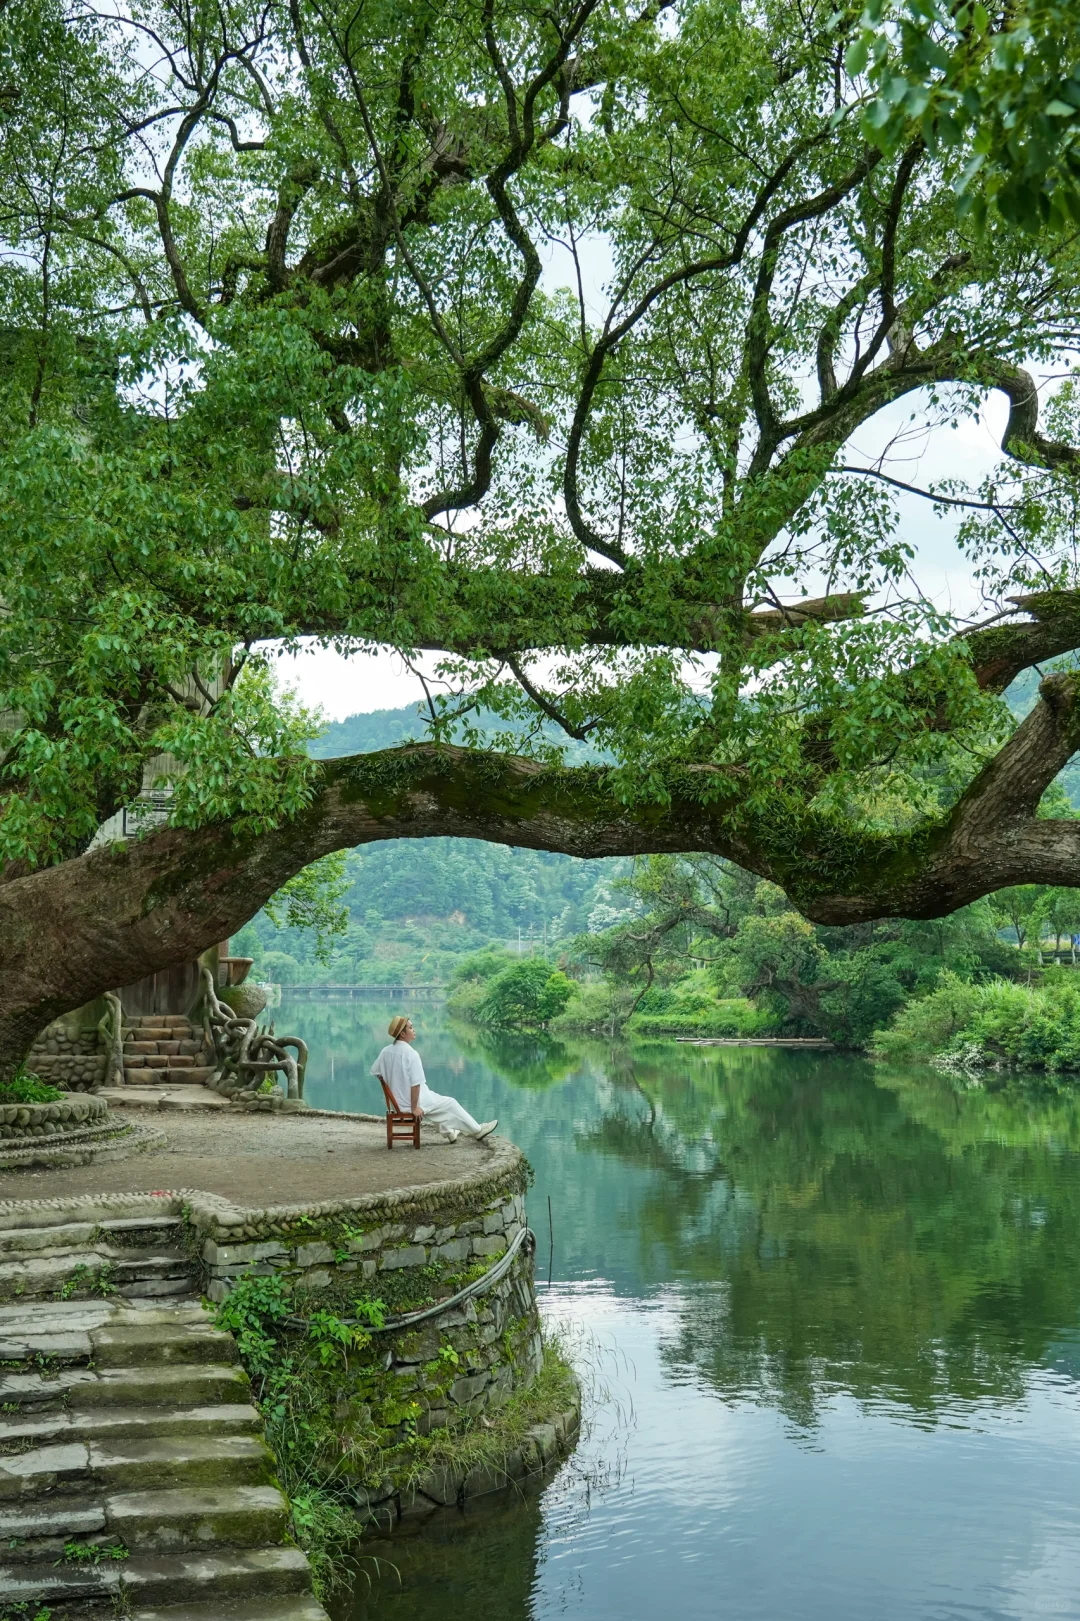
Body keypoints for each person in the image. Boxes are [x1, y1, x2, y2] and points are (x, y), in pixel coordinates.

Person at [371, 1015, 497, 1143]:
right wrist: (414, 1108)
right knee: (450, 1103)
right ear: (402, 1034)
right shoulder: (411, 1054)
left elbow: (376, 1072)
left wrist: (394, 1084)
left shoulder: (385, 1052)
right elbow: (416, 1085)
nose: (414, 1030)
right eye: (410, 1027)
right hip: (412, 1102)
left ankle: (450, 1133)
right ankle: (477, 1130)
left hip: (398, 1103)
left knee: (436, 1103)